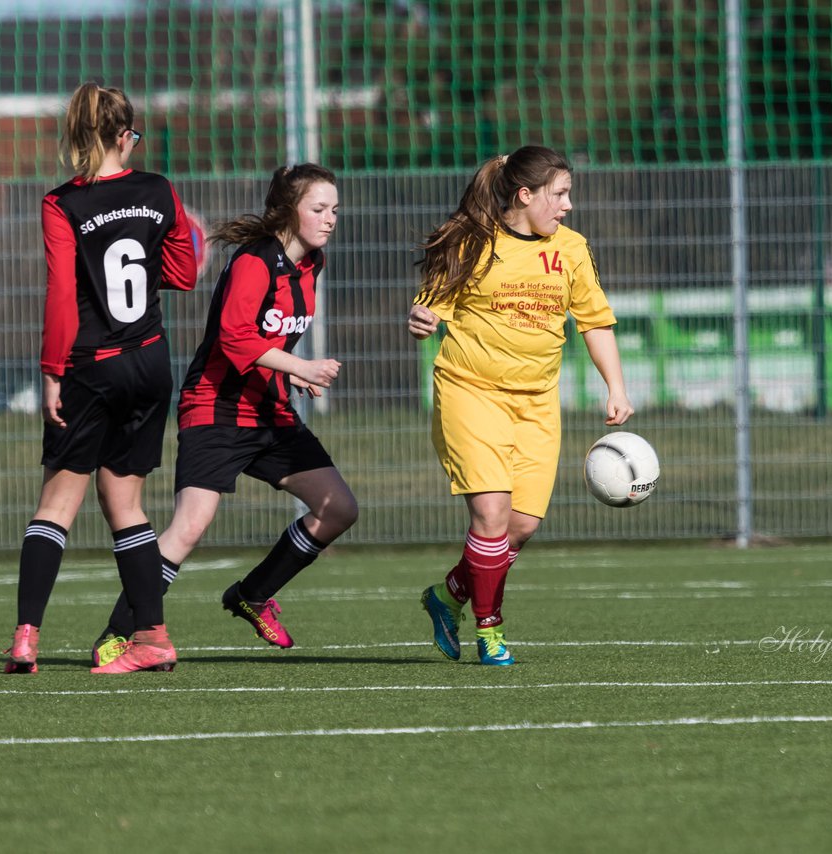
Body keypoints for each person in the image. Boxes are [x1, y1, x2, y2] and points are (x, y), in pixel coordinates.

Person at [91, 163, 358, 668]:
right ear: (288, 210)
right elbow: (236, 339)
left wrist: (292, 376)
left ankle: (252, 594)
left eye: (335, 210)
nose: (329, 220)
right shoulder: (255, 262)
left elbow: (271, 339)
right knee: (190, 526)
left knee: (338, 507)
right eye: (318, 209)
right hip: (216, 407)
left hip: (268, 410)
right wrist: (300, 365)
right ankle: (118, 633)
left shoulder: (312, 263)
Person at [408, 145, 633, 666]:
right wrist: (421, 321)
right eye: (559, 194)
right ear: (524, 195)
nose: (568, 205)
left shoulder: (572, 249)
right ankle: (490, 631)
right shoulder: (470, 242)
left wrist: (616, 386)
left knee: (521, 526)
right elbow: (428, 311)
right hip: (471, 392)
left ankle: (446, 597)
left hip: (537, 401)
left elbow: (594, 320)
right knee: (491, 514)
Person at [3, 82, 198, 675]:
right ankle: (152, 635)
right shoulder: (158, 188)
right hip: (150, 362)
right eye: (133, 136)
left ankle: (27, 637)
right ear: (121, 135)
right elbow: (184, 270)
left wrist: (51, 372)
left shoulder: (62, 202)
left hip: (92, 364)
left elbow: (62, 293)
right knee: (128, 508)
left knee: (57, 504)